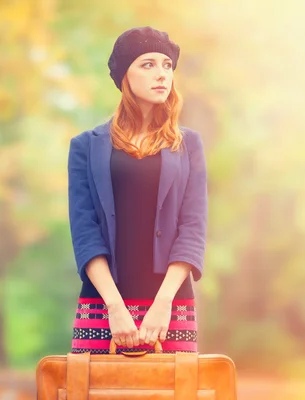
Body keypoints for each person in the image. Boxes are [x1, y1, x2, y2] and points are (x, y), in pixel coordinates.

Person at [67, 26, 208, 354]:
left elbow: (193, 228)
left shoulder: (189, 146)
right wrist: (115, 309)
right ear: (124, 76)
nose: (161, 74)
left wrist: (163, 305)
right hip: (102, 305)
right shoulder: (85, 147)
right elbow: (85, 233)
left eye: (167, 65)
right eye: (148, 64)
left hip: (171, 304)